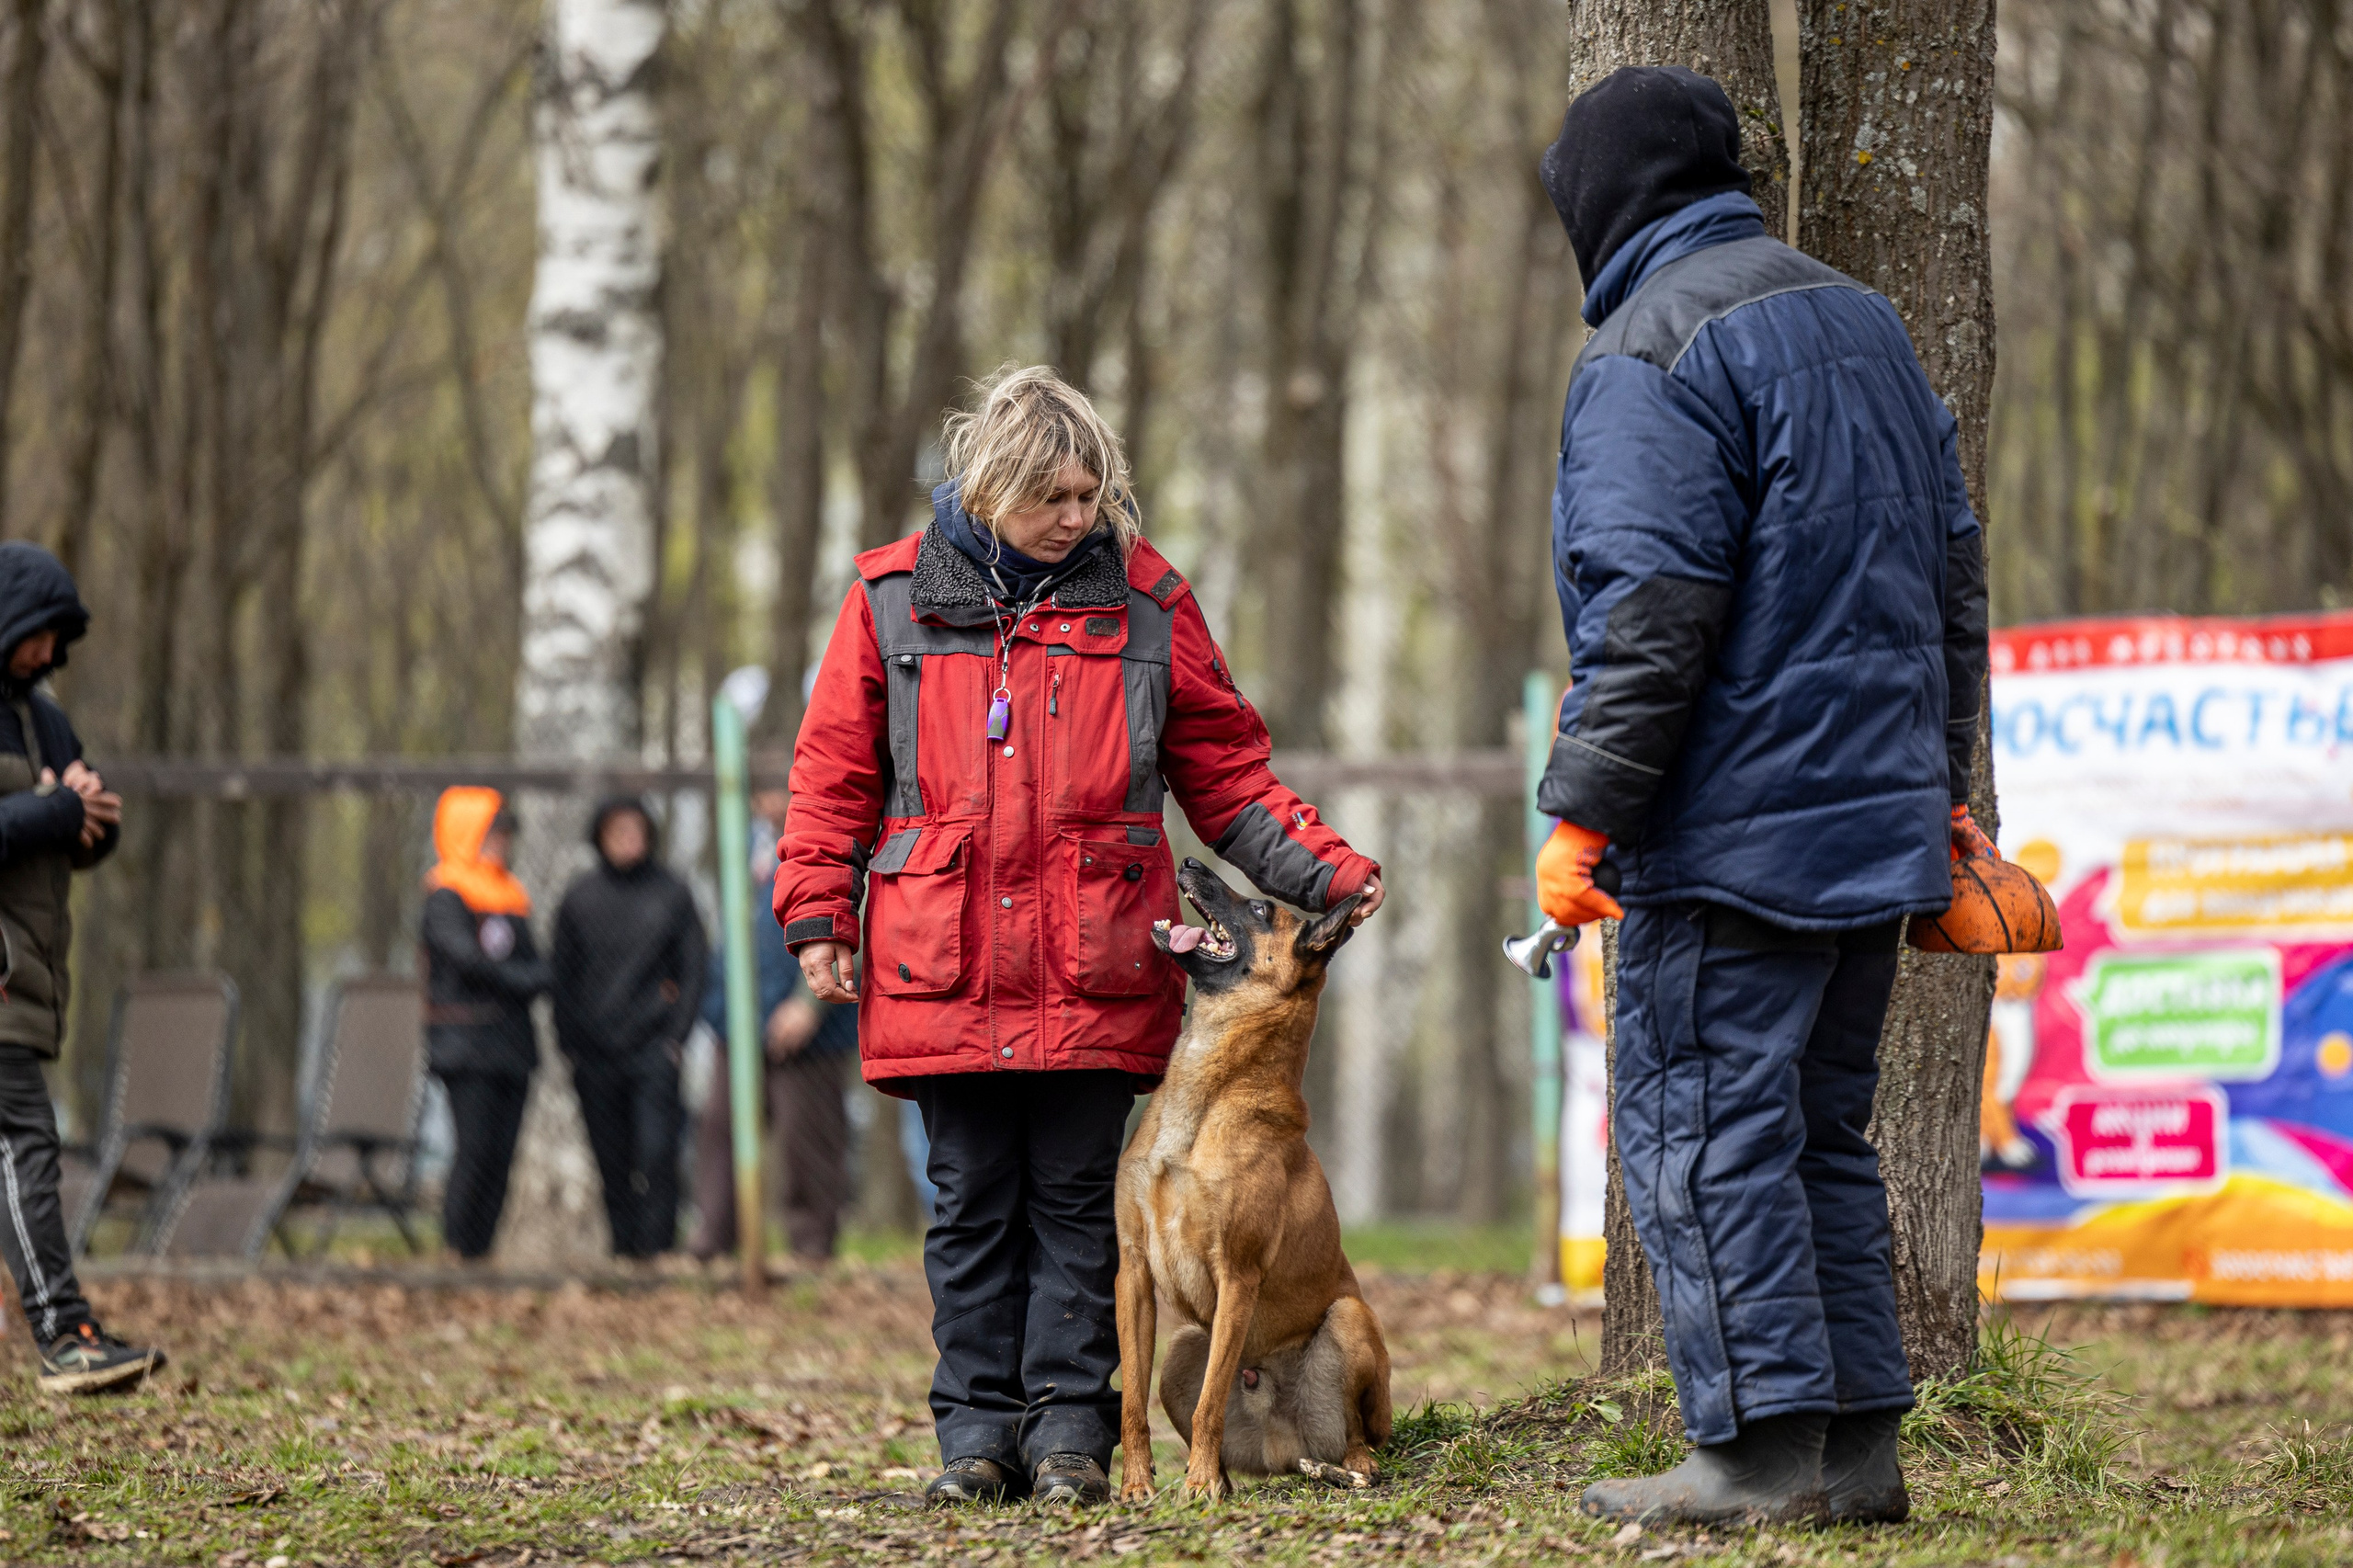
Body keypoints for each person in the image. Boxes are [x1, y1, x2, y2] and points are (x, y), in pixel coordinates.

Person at [779, 366, 1384, 1507]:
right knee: (967, 1206)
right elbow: (832, 776)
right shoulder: (889, 599)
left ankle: (1069, 1438)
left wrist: (1328, 872)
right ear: (990, 484)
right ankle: (973, 1438)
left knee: (1074, 1206)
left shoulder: (1148, 602)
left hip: (1095, 961)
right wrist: (815, 912)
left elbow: (1226, 772)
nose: (1079, 516)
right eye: (1053, 495)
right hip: (940, 961)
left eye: (1091, 493)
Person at [1531, 68, 1989, 1527]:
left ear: (1603, 195)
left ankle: (1750, 1450)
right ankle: (1859, 1451)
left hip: (1730, 834)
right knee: (1813, 1136)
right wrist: (1947, 794)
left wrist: (1582, 816)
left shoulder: (1649, 350)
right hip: (1876, 825)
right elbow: (1956, 579)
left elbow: (1651, 613)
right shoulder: (1863, 323)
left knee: (1703, 1134)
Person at [0, 542, 163, 1393]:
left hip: (31, 971)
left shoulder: (43, 716)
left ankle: (69, 1328)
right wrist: (55, 807)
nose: (47, 655)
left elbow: (69, 817)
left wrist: (92, 822)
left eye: (59, 639)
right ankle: (65, 1333)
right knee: (25, 1140)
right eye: (38, 636)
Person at [690, 789, 856, 1264]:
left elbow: (854, 921)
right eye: (759, 792)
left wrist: (808, 1005)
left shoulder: (832, 844)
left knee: (807, 1134)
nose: (767, 802)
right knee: (720, 1126)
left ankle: (810, 1248)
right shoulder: (737, 848)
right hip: (736, 1018)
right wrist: (720, 1005)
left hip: (811, 1021)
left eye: (777, 791)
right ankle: (714, 1242)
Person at [552, 797, 706, 1261]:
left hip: (654, 1050)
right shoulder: (579, 898)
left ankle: (658, 1249)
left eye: (636, 829)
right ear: (600, 835)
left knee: (657, 1152)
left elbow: (695, 968)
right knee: (611, 1158)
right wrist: (571, 1044)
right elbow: (561, 975)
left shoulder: (672, 894)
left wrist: (675, 1039)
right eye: (618, 830)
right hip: (595, 1054)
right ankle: (624, 1252)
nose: (628, 839)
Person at [421, 787, 550, 1263]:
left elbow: (533, 967)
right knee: (473, 1149)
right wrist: (523, 979)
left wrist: (526, 978)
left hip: (512, 1046)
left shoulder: (510, 895)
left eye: (504, 832)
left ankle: (482, 1254)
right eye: (491, 830)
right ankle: (457, 1250)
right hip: (464, 1045)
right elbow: (470, 962)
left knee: (501, 1156)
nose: (501, 841)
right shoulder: (445, 894)